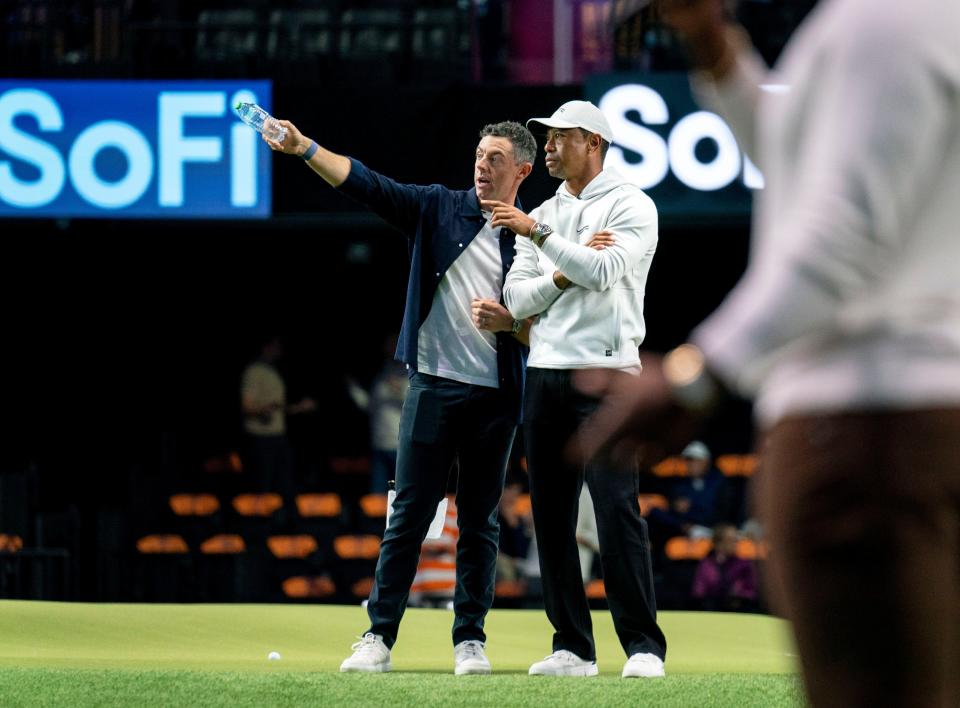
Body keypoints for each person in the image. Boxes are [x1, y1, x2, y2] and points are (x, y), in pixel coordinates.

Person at [575, 1, 960, 705]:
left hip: (871, 433)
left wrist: (696, 375)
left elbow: (843, 237)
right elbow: (800, 163)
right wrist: (714, 48)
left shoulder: (884, 22)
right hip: (902, 426)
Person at [264, 118, 536, 676]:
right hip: (432, 386)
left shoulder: (536, 235)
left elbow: (553, 322)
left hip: (496, 398)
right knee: (409, 515)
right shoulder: (437, 207)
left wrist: (513, 324)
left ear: (523, 171)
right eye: (480, 154)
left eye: (496, 159)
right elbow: (367, 182)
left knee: (481, 522)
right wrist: (304, 147)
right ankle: (377, 636)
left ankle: (470, 641)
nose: (482, 166)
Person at [486, 100, 667, 679]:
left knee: (616, 510)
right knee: (552, 516)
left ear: (592, 142)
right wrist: (563, 268)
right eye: (546, 138)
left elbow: (605, 273)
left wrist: (539, 239)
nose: (547, 147)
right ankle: (573, 647)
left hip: (609, 374)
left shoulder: (632, 205)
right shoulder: (543, 209)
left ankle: (642, 647)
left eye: (559, 137)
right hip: (545, 371)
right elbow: (516, 303)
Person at [240, 335, 316, 497]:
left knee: (284, 481)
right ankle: (259, 520)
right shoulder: (254, 371)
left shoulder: (273, 372)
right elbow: (247, 406)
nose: (279, 350)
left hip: (277, 435)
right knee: (262, 483)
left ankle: (280, 519)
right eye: (275, 346)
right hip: (261, 437)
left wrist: (300, 407)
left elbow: (279, 407)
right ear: (266, 347)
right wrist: (262, 410)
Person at [690, 523, 758, 612]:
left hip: (739, 611)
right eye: (731, 540)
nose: (735, 543)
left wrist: (739, 593)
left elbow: (751, 592)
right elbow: (698, 592)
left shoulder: (744, 564)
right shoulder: (706, 564)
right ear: (718, 543)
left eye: (736, 540)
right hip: (711, 611)